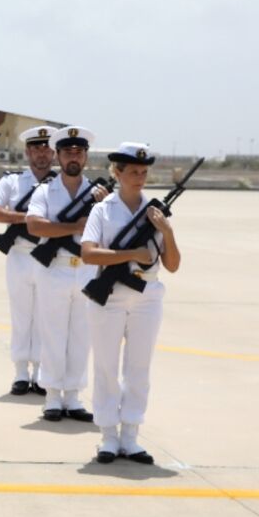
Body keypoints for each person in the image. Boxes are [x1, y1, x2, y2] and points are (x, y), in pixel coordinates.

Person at [81, 142, 180, 464]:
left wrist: (167, 230)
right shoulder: (103, 209)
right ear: (117, 173)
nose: (139, 177)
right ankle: (108, 435)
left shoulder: (154, 212)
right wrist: (132, 255)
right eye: (133, 172)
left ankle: (131, 435)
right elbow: (89, 253)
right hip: (109, 298)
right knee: (106, 367)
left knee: (139, 368)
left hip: (147, 296)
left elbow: (173, 264)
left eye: (143, 172)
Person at [25, 126, 104, 423]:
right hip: (54, 268)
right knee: (53, 334)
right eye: (68, 152)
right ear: (57, 156)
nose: (74, 157)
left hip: (85, 269)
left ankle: (73, 396)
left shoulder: (99, 194)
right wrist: (74, 227)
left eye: (79, 152)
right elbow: (35, 226)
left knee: (82, 336)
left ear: (85, 157)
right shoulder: (45, 190)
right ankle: (52, 397)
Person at [0, 126, 58, 395]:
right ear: (27, 152)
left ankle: (40, 372)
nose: (42, 153)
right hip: (20, 254)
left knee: (45, 315)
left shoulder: (61, 184)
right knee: (21, 314)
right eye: (36, 148)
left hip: (50, 255)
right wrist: (25, 218)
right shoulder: (12, 181)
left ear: (54, 153)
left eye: (47, 148)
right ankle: (19, 372)